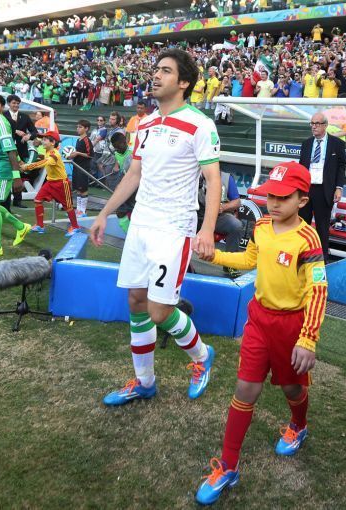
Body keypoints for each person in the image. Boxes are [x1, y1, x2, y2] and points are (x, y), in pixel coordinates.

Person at [88, 49, 222, 406]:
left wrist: (207, 230)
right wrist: (104, 214)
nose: (156, 76)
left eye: (165, 71)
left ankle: (202, 355)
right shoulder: (144, 124)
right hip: (141, 224)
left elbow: (213, 179)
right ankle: (144, 382)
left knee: (159, 311)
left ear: (184, 82)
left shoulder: (200, 124)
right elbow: (134, 174)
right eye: (156, 70)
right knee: (135, 300)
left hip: (173, 228)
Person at [193, 162, 328, 505]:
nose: (274, 203)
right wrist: (215, 254)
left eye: (283, 197)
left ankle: (299, 424)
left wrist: (308, 339)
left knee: (291, 387)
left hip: (291, 327)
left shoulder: (308, 239)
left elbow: (318, 290)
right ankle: (228, 466)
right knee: (245, 388)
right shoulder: (263, 225)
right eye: (271, 196)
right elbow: (249, 260)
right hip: (259, 321)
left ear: (302, 200)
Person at [298, 111, 346, 263]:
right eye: (312, 123)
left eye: (317, 124)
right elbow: (301, 167)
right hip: (306, 189)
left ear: (325, 125)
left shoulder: (337, 144)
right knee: (302, 224)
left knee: (322, 227)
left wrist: (339, 187)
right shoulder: (306, 144)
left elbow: (341, 167)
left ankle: (322, 260)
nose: (314, 126)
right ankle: (301, 255)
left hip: (324, 190)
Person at [21, 131, 81, 236]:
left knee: (68, 207)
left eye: (45, 140)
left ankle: (75, 227)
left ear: (52, 143)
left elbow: (45, 162)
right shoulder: (48, 151)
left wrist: (28, 166)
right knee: (37, 200)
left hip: (61, 184)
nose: (42, 141)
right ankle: (40, 226)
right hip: (50, 182)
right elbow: (44, 160)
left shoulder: (54, 154)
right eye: (42, 139)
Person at [0, 93, 30, 257]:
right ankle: (21, 227)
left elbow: (10, 150)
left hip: (2, 168)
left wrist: (17, 177)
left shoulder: (0, 121)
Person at [4, 94, 37, 208]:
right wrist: (16, 131)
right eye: (14, 103)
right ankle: (5, 200)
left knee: (19, 174)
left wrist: (29, 136)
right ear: (8, 103)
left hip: (21, 151)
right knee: (7, 174)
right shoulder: (2, 116)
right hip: (6, 150)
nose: (16, 105)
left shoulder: (25, 116)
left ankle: (17, 200)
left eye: (18, 103)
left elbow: (34, 131)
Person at [67, 119, 94, 217]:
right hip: (76, 166)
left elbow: (90, 155)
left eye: (80, 127)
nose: (78, 128)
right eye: (77, 127)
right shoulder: (78, 140)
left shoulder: (87, 140)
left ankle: (83, 211)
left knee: (83, 189)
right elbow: (76, 153)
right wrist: (71, 155)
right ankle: (78, 209)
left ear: (86, 129)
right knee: (78, 189)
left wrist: (78, 153)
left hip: (83, 168)